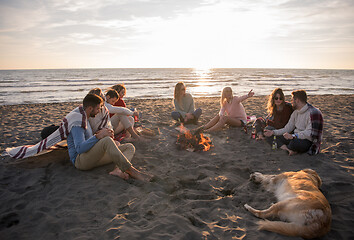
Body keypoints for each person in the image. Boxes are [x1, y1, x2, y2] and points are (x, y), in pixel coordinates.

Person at [67, 93, 150, 181]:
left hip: (92, 157)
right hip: (80, 161)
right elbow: (79, 148)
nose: (99, 111)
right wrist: (98, 136)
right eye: (98, 108)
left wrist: (103, 134)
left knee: (129, 147)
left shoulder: (86, 118)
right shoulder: (78, 123)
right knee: (107, 140)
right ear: (90, 108)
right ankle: (131, 170)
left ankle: (118, 170)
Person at [264, 90, 323, 156]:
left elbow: (309, 133)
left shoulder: (313, 112)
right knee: (270, 135)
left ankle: (289, 148)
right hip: (294, 137)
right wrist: (273, 132)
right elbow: (287, 128)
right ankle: (287, 149)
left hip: (305, 141)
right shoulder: (296, 112)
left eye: (292, 100)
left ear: (297, 100)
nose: (291, 102)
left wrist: (294, 136)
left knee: (294, 143)